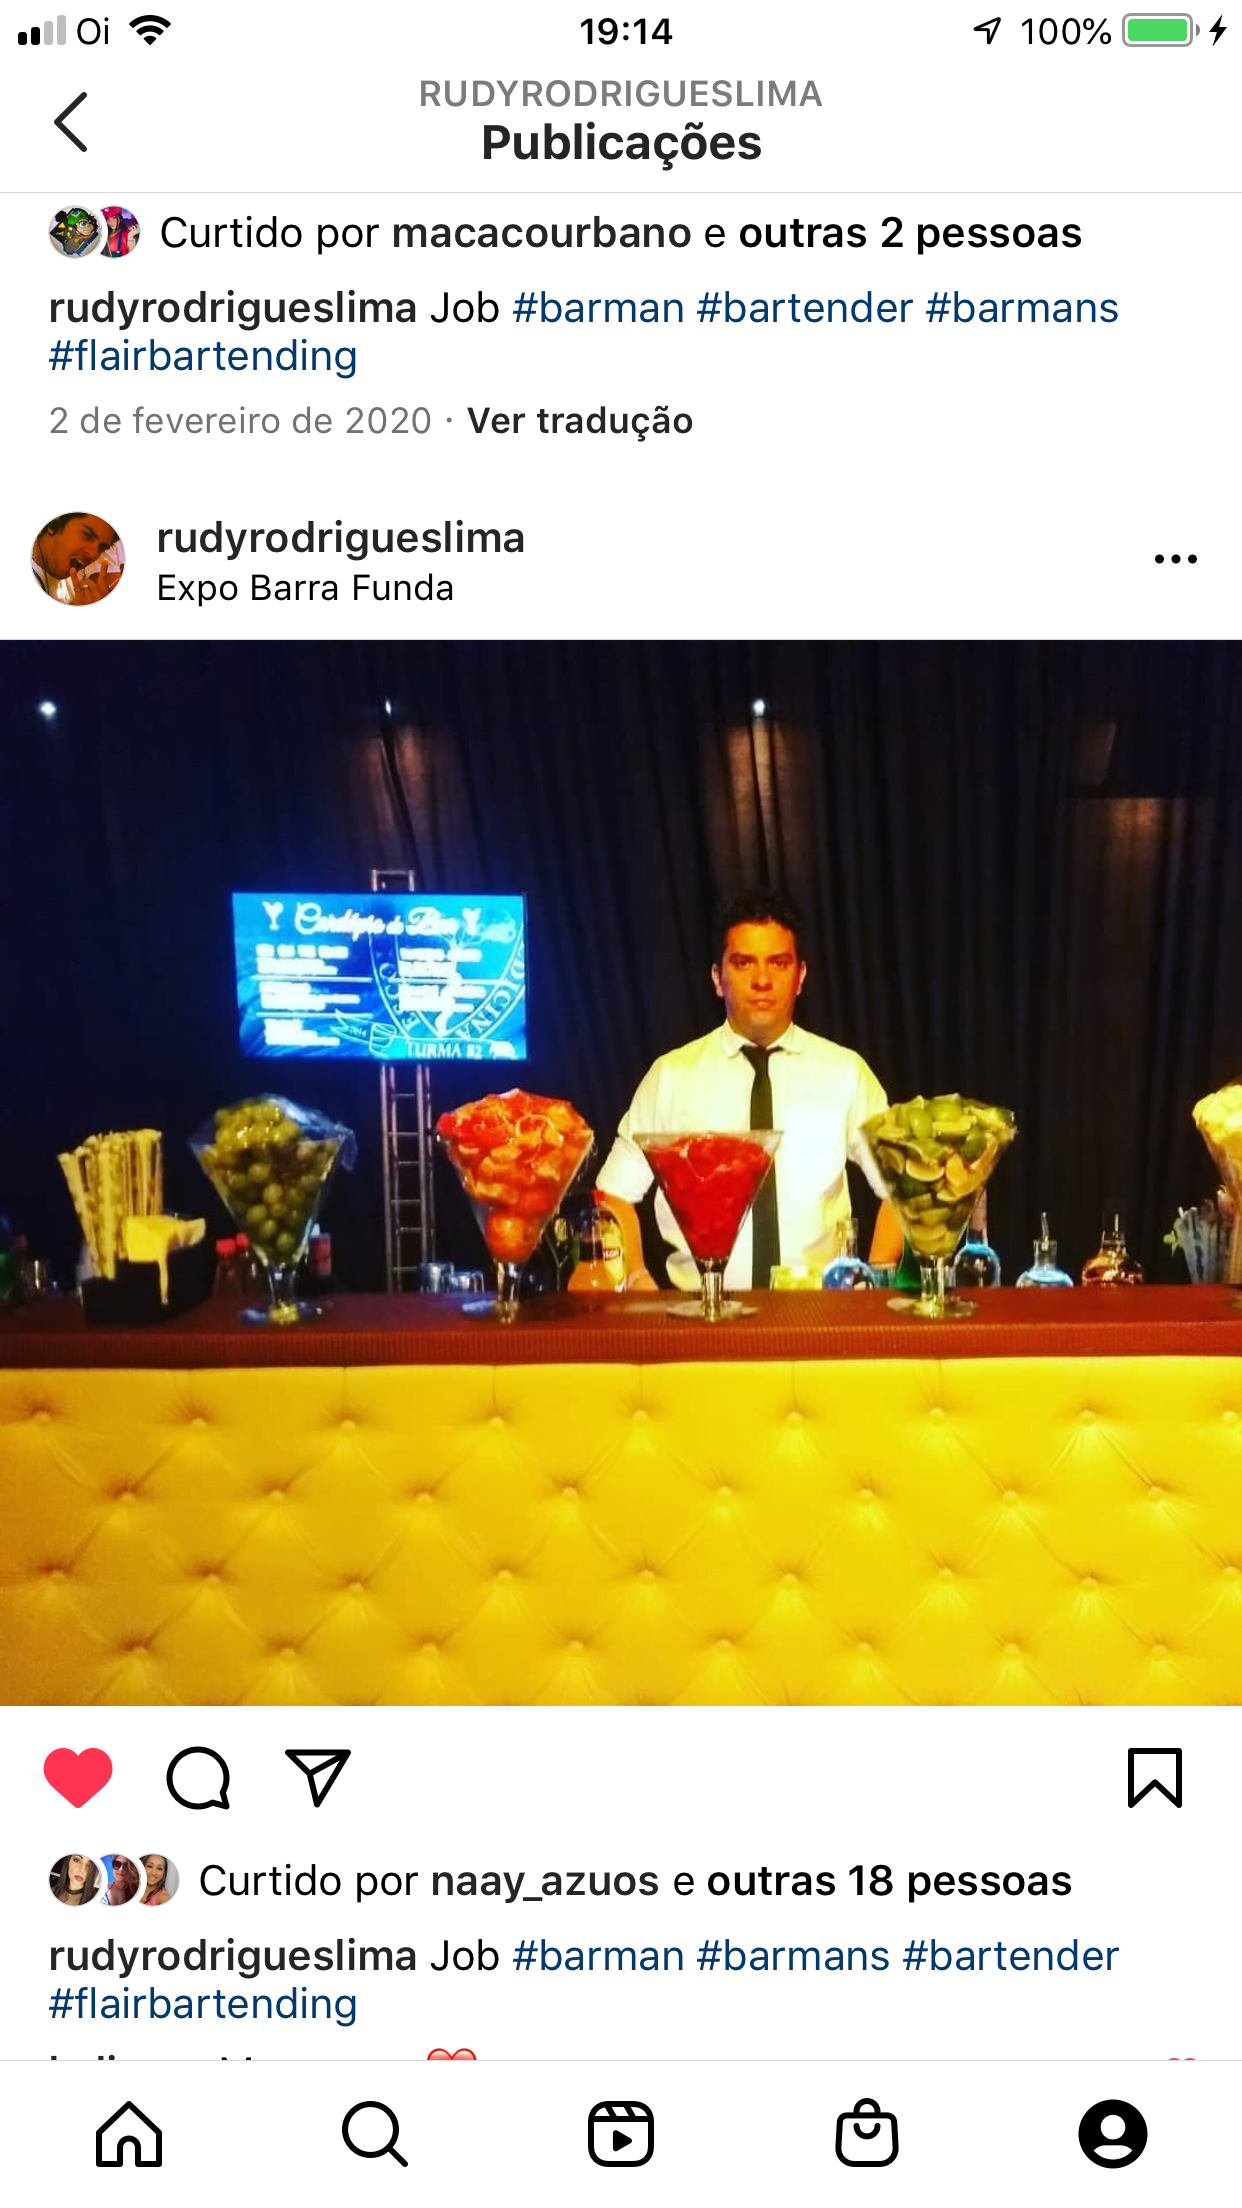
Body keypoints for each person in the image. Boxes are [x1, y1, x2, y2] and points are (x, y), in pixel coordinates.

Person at [597, 890, 900, 1291]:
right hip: (698, 1311)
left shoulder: (845, 1072)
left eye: (779, 963)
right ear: (716, 978)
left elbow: (902, 1188)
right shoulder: (672, 1076)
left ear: (801, 977)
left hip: (817, 1312)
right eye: (743, 963)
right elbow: (613, 1195)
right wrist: (635, 1278)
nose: (761, 980)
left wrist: (874, 1280)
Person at [31, 514, 124, 605]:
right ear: (55, 522)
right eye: (87, 535)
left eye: (101, 547)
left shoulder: (69, 586)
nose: (93, 554)